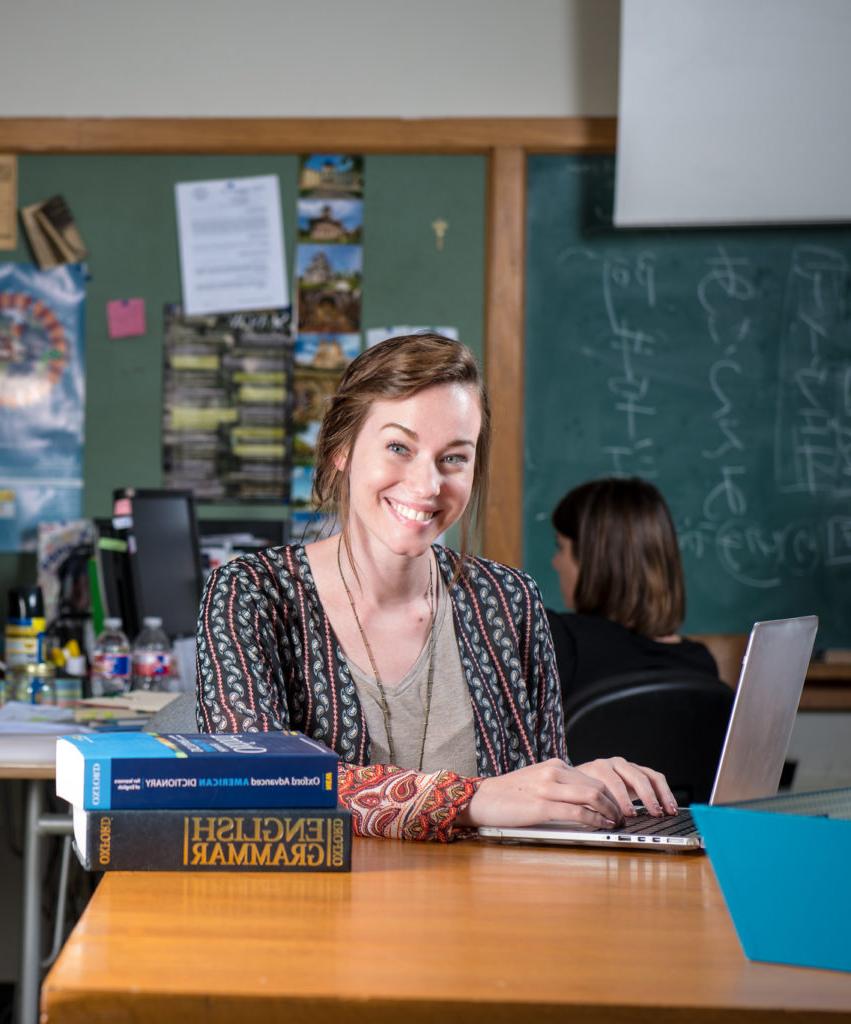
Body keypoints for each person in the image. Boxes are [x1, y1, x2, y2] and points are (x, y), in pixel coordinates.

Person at [196, 335, 677, 841]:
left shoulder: (509, 600)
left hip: (490, 910)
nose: (428, 485)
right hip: (320, 911)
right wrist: (472, 799)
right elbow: (255, 781)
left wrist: (581, 790)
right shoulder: (249, 592)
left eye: (454, 459)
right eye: (399, 448)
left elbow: (533, 802)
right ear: (342, 450)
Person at [547, 477, 719, 706]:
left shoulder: (561, 642)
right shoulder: (701, 666)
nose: (555, 562)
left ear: (593, 559)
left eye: (561, 547)